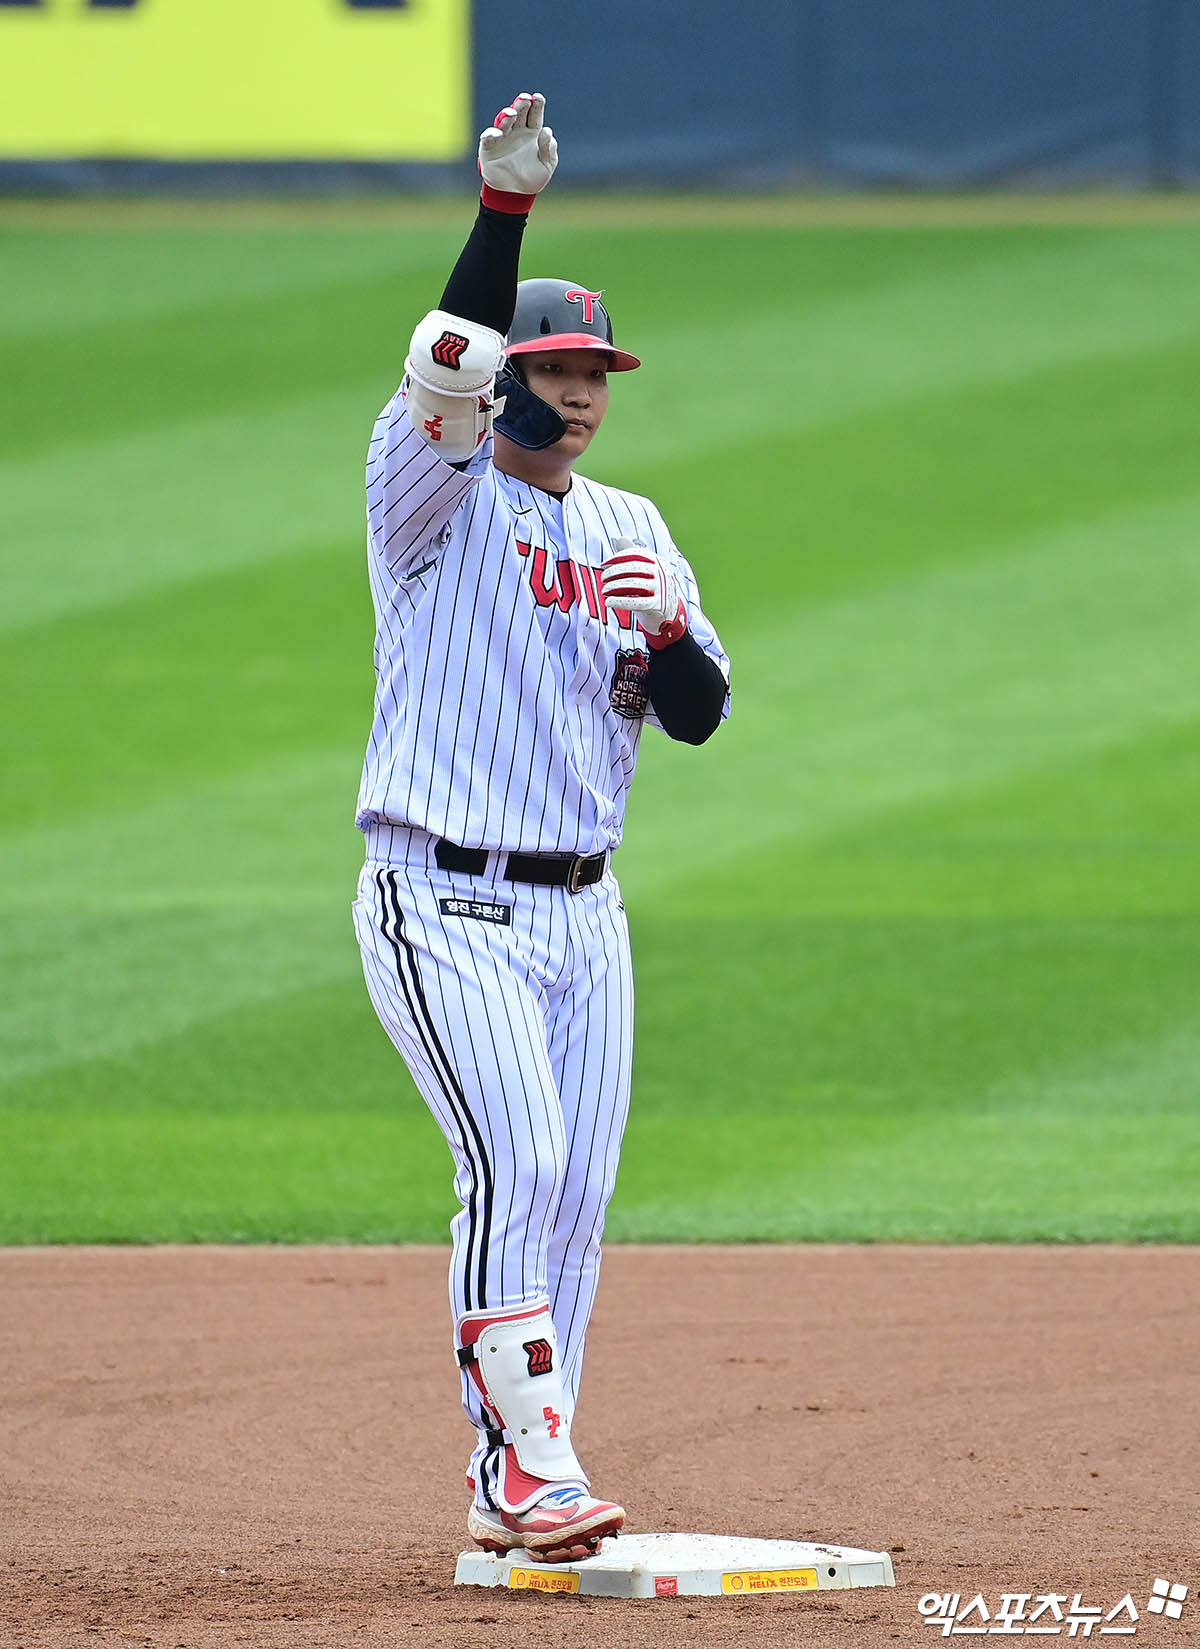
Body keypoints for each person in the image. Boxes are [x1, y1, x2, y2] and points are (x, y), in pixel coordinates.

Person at [351, 91, 730, 1563]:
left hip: (587, 915)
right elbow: (447, 352)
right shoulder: (425, 497)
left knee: (575, 1194)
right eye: (555, 369)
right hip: (439, 899)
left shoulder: (632, 525)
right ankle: (533, 1461)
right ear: (502, 382)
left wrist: (673, 633)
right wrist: (502, 214)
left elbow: (698, 714)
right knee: (519, 1156)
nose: (578, 395)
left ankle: (512, 1468)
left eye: (595, 374)